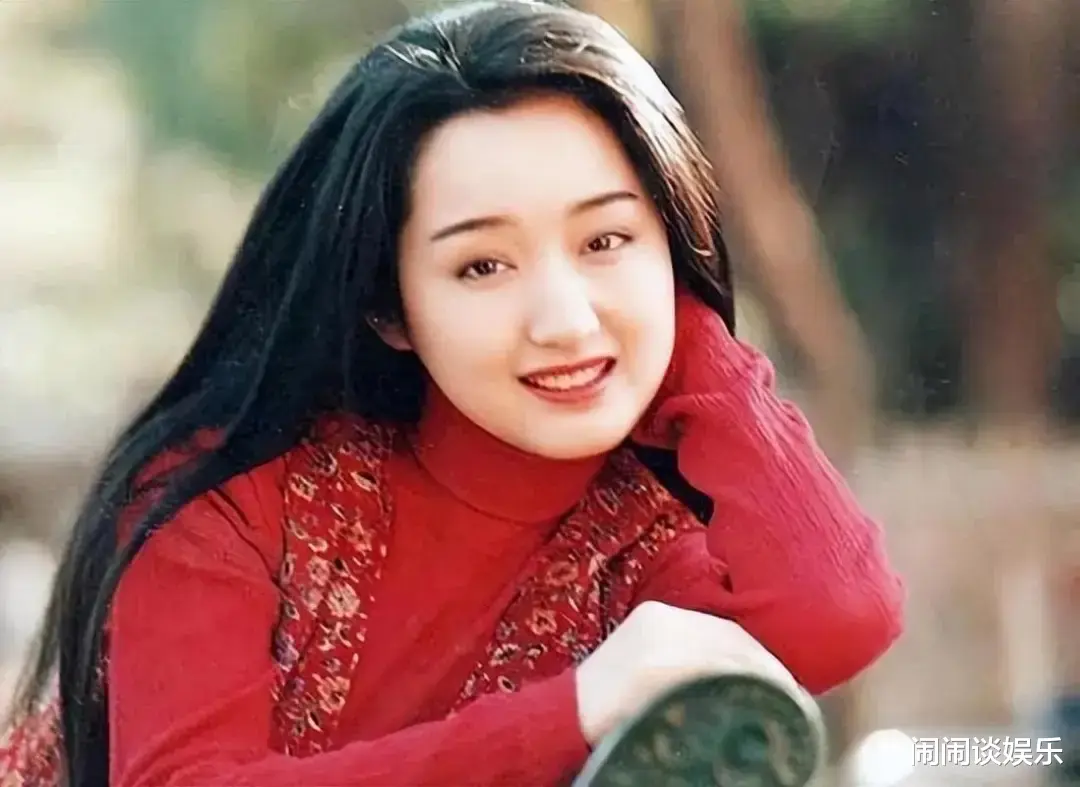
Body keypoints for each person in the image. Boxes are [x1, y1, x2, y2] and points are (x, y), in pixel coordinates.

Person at [0, 1, 905, 785]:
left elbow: (840, 617)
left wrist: (688, 339)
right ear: (389, 308)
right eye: (482, 265)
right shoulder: (233, 496)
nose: (564, 320)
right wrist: (576, 707)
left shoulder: (641, 551)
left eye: (606, 241)